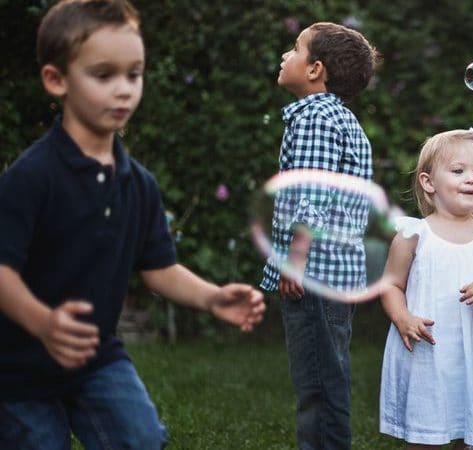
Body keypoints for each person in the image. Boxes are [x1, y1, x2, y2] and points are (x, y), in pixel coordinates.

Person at [0, 1, 265, 448]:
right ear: (56, 80)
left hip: (95, 357)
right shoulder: (31, 178)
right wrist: (45, 323)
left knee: (141, 439)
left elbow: (158, 267)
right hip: (19, 366)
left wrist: (213, 297)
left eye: (134, 74)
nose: (124, 90)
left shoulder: (138, 184)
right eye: (104, 76)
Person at [259, 21, 378, 449]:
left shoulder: (314, 117)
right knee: (327, 379)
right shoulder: (340, 119)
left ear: (315, 69)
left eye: (294, 49)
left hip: (315, 275)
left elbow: (311, 193)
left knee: (319, 388)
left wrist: (296, 257)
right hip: (334, 275)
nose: (284, 56)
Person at [379, 129, 473, 449]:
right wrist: (403, 317)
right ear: (428, 182)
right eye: (458, 171)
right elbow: (391, 284)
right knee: (425, 430)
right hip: (428, 350)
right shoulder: (413, 234)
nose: (471, 179)